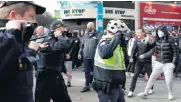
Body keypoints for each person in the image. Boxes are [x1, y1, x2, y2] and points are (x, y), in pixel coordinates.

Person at [0, 1, 47, 102]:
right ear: (13, 16)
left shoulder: (16, 39)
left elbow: (18, 64)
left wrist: (31, 51)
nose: (34, 21)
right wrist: (13, 34)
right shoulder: (9, 39)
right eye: (31, 16)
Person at [137, 25, 178, 100]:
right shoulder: (157, 39)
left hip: (168, 63)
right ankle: (145, 92)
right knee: (151, 78)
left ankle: (170, 93)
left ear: (164, 31)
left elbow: (176, 52)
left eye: (160, 31)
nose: (159, 33)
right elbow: (151, 48)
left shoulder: (171, 39)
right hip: (158, 62)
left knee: (169, 80)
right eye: (158, 31)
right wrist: (147, 43)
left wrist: (173, 63)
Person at [35, 20, 72, 102]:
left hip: (56, 76)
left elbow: (58, 59)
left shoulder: (56, 40)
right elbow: (63, 46)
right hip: (45, 77)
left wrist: (65, 71)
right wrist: (60, 36)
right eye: (62, 29)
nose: (64, 31)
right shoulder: (50, 40)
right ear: (57, 30)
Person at [93, 19, 126, 102]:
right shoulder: (105, 41)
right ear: (116, 32)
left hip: (116, 85)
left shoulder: (115, 43)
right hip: (107, 87)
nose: (122, 35)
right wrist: (116, 39)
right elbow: (104, 54)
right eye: (121, 33)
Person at [128, 29, 154, 97]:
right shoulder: (136, 40)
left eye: (139, 32)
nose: (138, 34)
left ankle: (150, 88)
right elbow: (134, 49)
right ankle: (131, 90)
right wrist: (131, 57)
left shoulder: (148, 39)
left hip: (147, 60)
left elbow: (152, 49)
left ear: (143, 33)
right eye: (137, 32)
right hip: (139, 61)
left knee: (149, 75)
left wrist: (149, 41)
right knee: (135, 75)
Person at [78, 22, 101, 92]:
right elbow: (82, 45)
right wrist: (79, 53)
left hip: (94, 57)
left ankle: (96, 85)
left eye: (89, 26)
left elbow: (100, 46)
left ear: (93, 27)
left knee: (95, 72)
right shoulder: (85, 35)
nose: (88, 28)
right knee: (87, 72)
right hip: (86, 56)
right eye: (87, 26)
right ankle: (87, 85)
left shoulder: (98, 34)